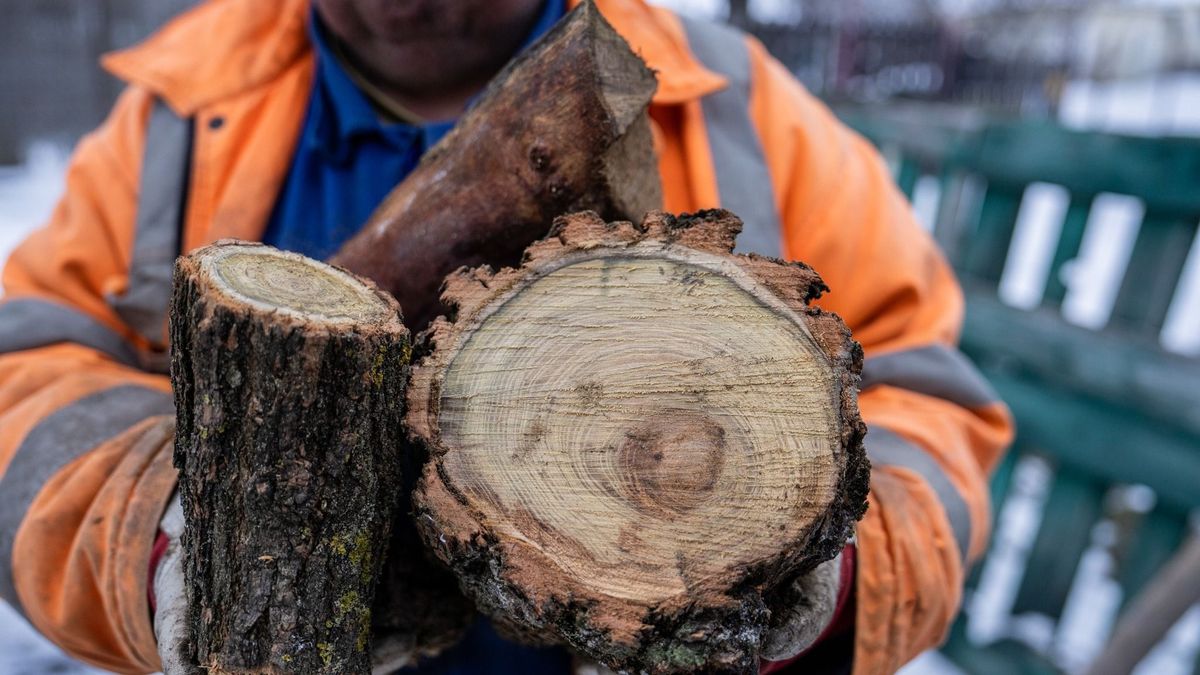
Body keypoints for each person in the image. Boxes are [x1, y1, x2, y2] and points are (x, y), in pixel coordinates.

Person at [0, 0, 1013, 673]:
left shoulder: (736, 106)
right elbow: (26, 370)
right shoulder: (180, 110)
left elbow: (933, 404)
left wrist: (805, 562)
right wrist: (154, 545)